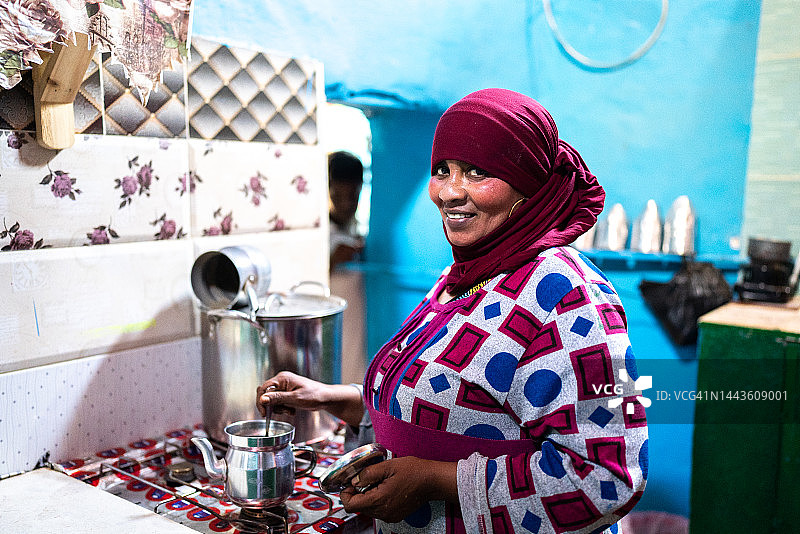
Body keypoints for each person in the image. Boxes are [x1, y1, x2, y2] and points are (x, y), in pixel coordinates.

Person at [258, 88, 648, 534]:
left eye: (479, 172)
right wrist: (339, 400)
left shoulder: (569, 299)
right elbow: (452, 412)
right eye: (442, 170)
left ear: (527, 183)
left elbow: (605, 478)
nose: (450, 192)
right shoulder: (462, 277)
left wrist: (434, 481)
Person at [328, 150, 365, 270]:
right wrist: (331, 262)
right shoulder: (316, 235)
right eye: (337, 196)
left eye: (352, 196)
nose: (345, 204)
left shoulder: (360, 233)